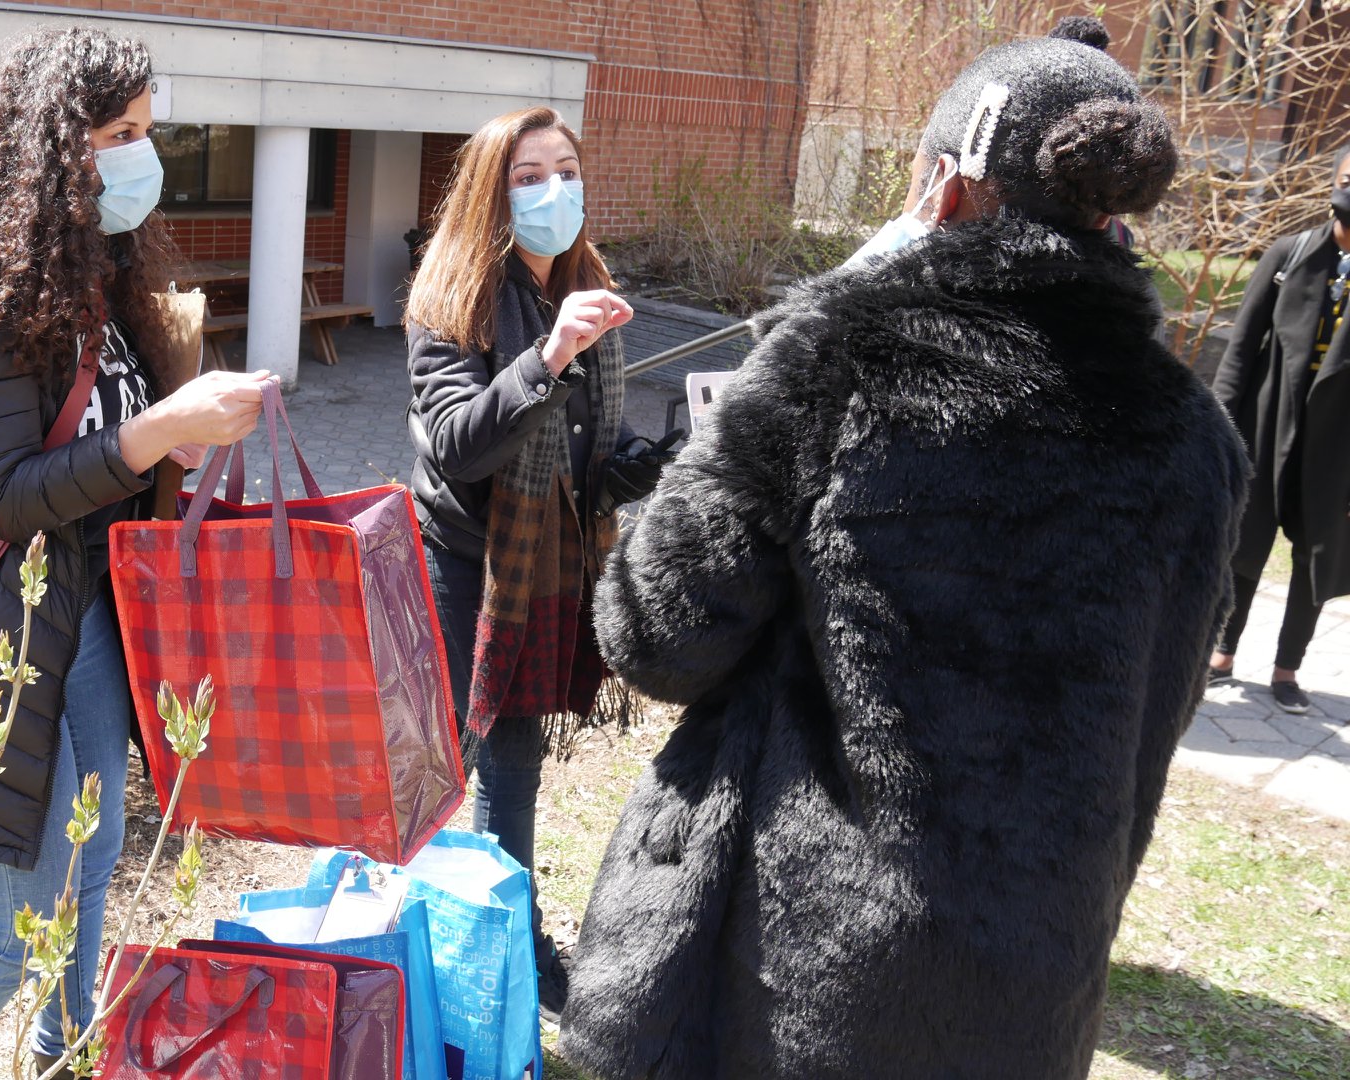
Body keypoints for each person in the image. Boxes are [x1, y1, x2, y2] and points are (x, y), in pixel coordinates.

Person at [561, 16, 1248, 1079]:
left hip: (793, 987)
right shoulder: (1197, 437)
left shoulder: (845, 360)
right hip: (1032, 995)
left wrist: (821, 318)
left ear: (943, 189)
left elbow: (654, 634)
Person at [0, 28, 274, 1078]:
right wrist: (159, 429)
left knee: (94, 854)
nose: (143, 156)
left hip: (91, 609)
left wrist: (185, 427)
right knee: (10, 932)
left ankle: (68, 1054)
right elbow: (8, 494)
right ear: (55, 145)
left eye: (148, 130)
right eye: (120, 134)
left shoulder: (94, 264)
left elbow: (114, 442)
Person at [403, 106, 678, 1022]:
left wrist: (666, 455)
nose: (553, 188)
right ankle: (461, 952)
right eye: (529, 175)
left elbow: (585, 448)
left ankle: (507, 945)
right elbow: (457, 444)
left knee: (512, 765)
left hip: (549, 556)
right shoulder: (450, 299)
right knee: (465, 767)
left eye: (566, 168)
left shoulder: (585, 276)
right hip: (469, 565)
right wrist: (553, 351)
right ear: (492, 191)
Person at [1207, 144, 1350, 714]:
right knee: (1246, 542)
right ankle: (1222, 652)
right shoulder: (1290, 254)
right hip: (1266, 429)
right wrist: (1217, 435)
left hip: (1339, 447)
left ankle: (1287, 668)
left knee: (1317, 557)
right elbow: (1239, 353)